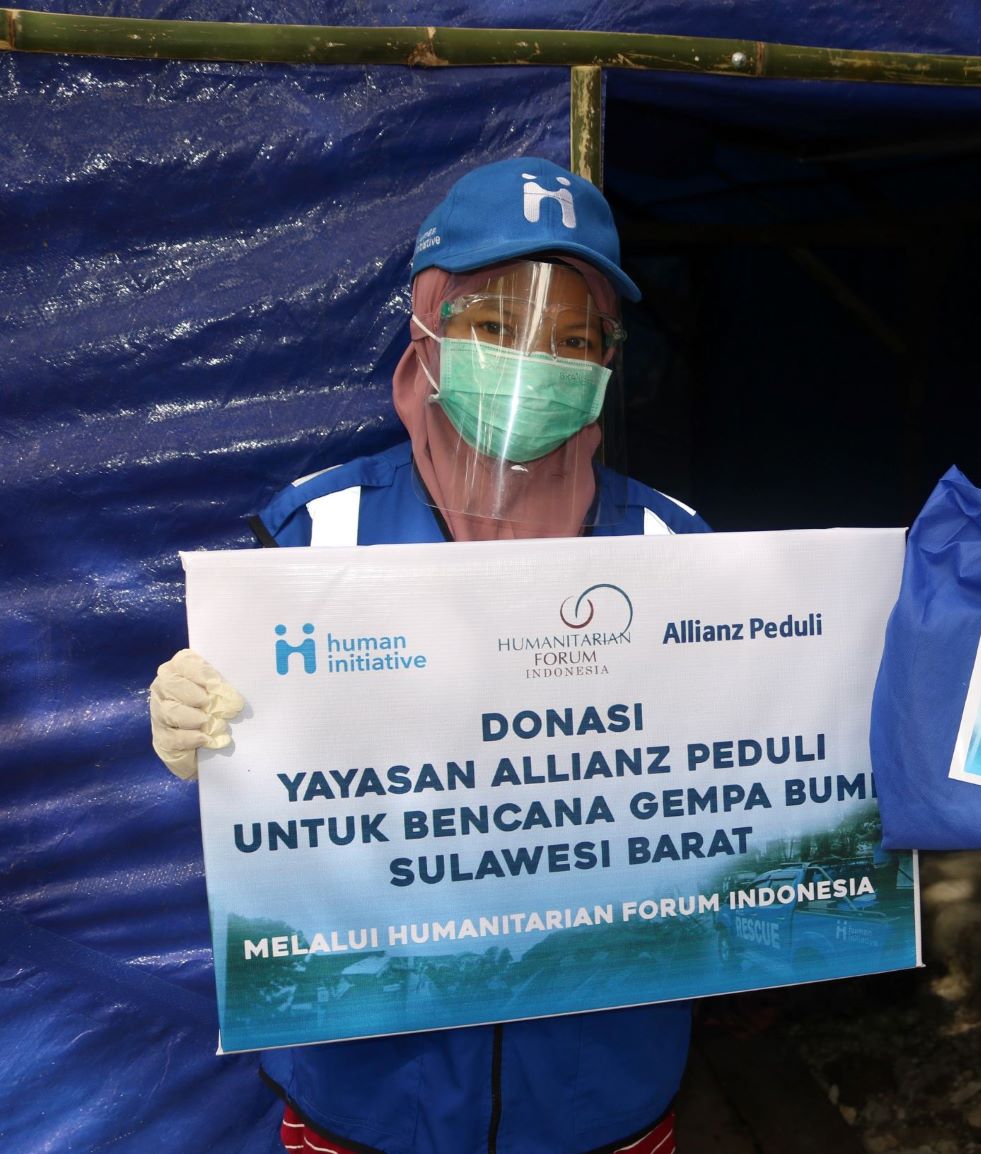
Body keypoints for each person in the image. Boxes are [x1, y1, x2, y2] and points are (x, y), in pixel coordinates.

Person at [147, 157, 703, 1154]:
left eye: (574, 339)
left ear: (608, 361)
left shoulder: (674, 548)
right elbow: (270, 803)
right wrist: (203, 743)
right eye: (495, 324)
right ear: (427, 326)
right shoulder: (316, 531)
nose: (534, 361)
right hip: (367, 1087)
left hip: (599, 1087)